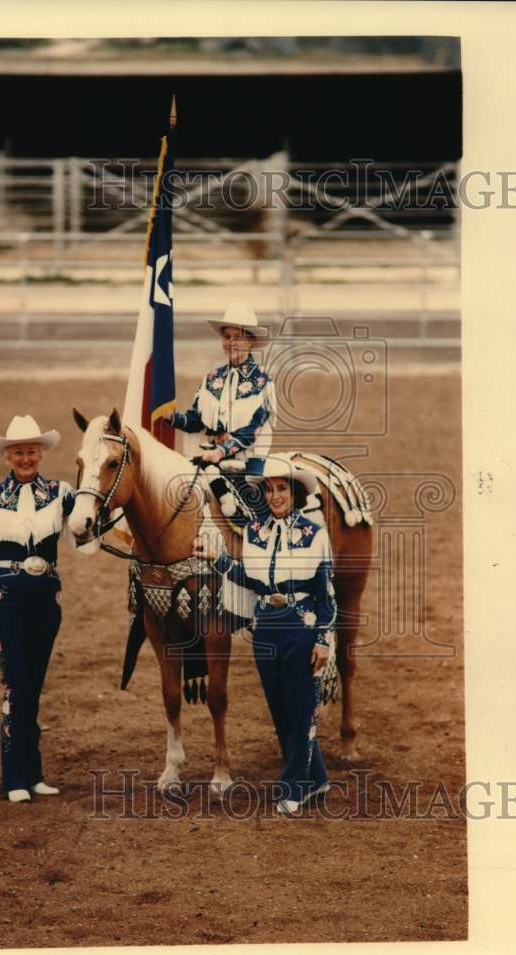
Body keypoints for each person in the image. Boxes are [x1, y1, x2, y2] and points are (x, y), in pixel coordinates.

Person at [194, 455, 336, 815]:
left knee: (302, 707)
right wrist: (216, 559)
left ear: (295, 492)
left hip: (301, 623)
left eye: (282, 488)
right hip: (267, 627)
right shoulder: (255, 532)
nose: (275, 496)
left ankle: (295, 787)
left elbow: (326, 596)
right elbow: (251, 579)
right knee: (281, 708)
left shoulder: (315, 534)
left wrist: (323, 640)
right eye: (270, 490)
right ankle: (316, 778)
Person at [0, 415, 75, 803]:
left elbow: (90, 523)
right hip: (4, 602)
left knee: (33, 688)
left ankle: (34, 775)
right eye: (19, 452)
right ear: (7, 456)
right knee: (16, 684)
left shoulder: (60, 493)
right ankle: (14, 778)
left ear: (41, 454)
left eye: (32, 452)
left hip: (46, 602)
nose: (26, 458)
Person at [166, 301, 275, 517]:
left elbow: (252, 431)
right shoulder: (212, 378)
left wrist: (221, 451)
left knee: (253, 518)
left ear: (251, 341)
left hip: (246, 463)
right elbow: (196, 420)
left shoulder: (264, 384)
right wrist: (173, 418)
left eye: (238, 337)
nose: (231, 342)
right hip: (209, 458)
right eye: (227, 337)